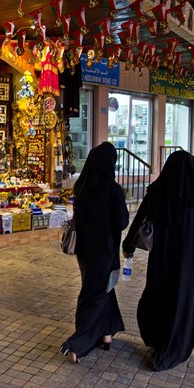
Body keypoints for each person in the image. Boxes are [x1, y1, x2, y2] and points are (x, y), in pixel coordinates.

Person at [122, 150, 194, 371]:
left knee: (157, 298)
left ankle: (158, 341)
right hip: (185, 262)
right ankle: (172, 347)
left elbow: (140, 219)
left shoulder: (157, 192)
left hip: (160, 260)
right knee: (179, 303)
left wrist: (128, 245)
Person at [60, 142, 129, 363]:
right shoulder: (112, 188)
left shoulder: (82, 186)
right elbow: (122, 221)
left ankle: (106, 334)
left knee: (102, 288)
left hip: (85, 250)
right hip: (105, 250)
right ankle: (77, 344)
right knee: (96, 294)